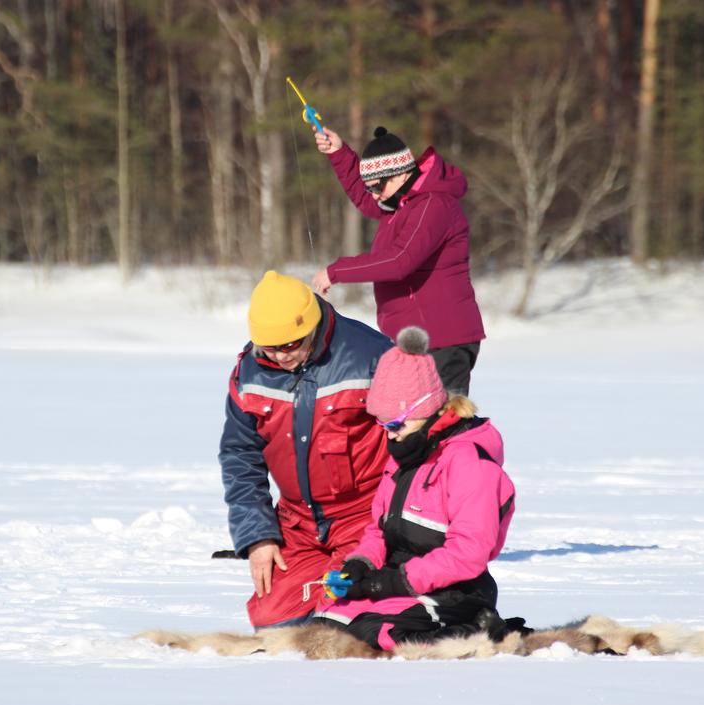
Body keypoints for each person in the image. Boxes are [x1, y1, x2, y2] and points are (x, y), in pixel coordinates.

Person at [312, 325, 516, 650]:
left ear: (425, 410)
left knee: (377, 633)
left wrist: (393, 582)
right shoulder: (407, 454)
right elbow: (380, 530)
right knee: (326, 623)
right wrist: (360, 565)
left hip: (457, 590)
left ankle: (481, 631)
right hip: (404, 582)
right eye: (382, 424)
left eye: (395, 424)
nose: (389, 434)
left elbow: (469, 553)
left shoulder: (468, 462)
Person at [220, 271, 391, 629]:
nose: (281, 356)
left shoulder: (372, 356)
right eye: (270, 347)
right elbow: (240, 456)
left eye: (291, 345)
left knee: (341, 618)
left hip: (365, 518)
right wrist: (258, 537)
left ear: (311, 326)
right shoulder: (249, 372)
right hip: (298, 522)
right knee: (273, 625)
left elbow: (415, 442)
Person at [311, 126, 485, 395]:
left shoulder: (432, 205)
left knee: (441, 420)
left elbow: (399, 260)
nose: (374, 195)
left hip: (442, 341)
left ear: (401, 173)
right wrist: (339, 153)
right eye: (370, 187)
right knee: (406, 420)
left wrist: (336, 271)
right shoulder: (401, 203)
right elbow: (366, 196)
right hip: (416, 341)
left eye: (377, 186)